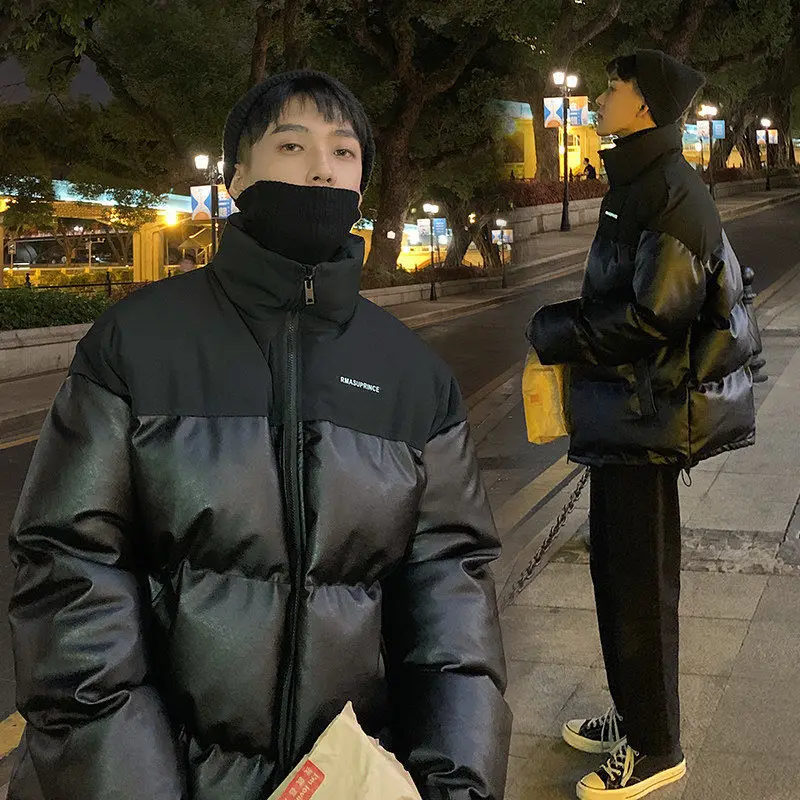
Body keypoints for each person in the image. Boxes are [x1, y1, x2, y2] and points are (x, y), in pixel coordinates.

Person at [8, 71, 511, 800]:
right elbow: (69, 574)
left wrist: (455, 783)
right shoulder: (136, 346)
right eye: (292, 145)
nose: (321, 168)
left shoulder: (414, 377)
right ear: (236, 176)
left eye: (344, 152)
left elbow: (451, 603)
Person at [526, 50, 755, 800]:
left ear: (646, 104)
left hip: (648, 415)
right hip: (627, 413)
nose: (599, 96)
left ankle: (657, 747)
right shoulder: (640, 179)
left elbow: (655, 315)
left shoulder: (667, 190)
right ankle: (635, 714)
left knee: (641, 587)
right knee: (617, 576)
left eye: (614, 87)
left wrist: (554, 332)